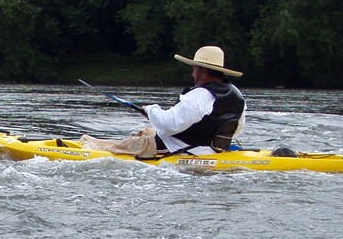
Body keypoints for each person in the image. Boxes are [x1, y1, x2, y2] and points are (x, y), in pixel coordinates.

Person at [80, 45, 246, 158]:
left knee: (123, 146)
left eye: (194, 69)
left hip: (183, 150)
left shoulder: (199, 96)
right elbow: (235, 130)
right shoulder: (237, 94)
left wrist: (151, 110)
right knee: (146, 131)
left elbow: (169, 125)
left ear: (202, 70)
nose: (192, 74)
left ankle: (88, 146)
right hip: (213, 150)